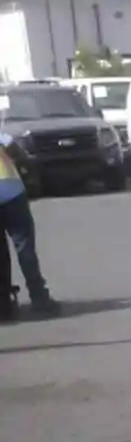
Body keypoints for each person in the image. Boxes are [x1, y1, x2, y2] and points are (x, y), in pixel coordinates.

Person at [0, 130, 62, 319]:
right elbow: (16, 151)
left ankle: (3, 305)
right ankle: (39, 297)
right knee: (25, 246)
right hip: (12, 192)